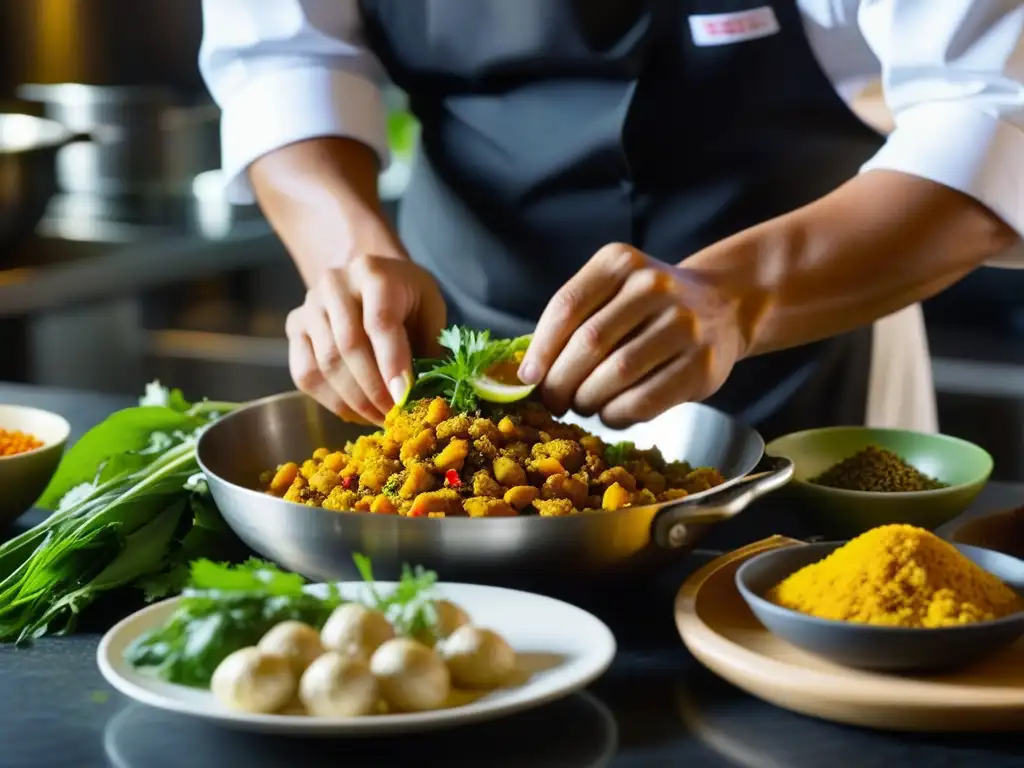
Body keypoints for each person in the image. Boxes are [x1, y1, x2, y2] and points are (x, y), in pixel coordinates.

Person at [199, 1, 1022, 437]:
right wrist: (349, 258)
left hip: (810, 348)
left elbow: (992, 107)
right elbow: (286, 57)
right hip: (456, 315)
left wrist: (736, 296)